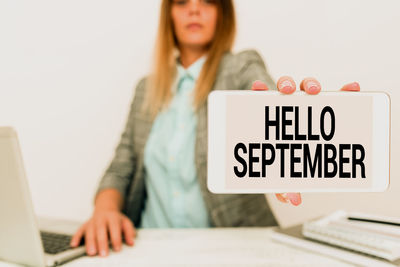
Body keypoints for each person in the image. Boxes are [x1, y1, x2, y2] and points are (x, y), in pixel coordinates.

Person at [70, 0, 360, 257]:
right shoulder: (146, 89)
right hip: (148, 249)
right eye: (182, 2)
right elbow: (122, 166)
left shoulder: (240, 67)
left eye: (207, 1)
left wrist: (294, 118)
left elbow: (266, 99)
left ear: (223, 14)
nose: (194, 8)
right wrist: (105, 210)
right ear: (168, 14)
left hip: (229, 251)